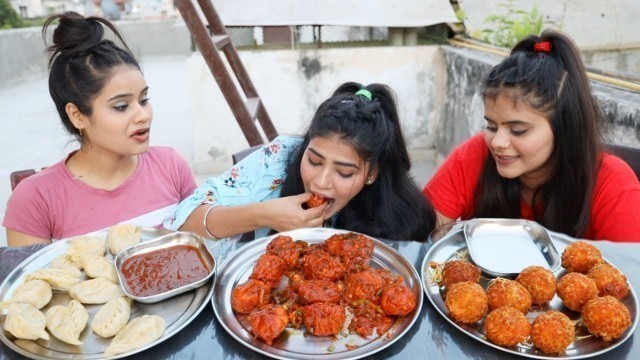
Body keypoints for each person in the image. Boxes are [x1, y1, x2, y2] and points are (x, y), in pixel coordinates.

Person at [423, 29, 640, 242]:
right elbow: (421, 235)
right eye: (491, 126)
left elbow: (631, 273)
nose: (497, 142)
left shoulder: (613, 186)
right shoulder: (474, 155)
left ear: (564, 129)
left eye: (518, 130)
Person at [3, 12, 197, 246]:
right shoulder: (36, 199)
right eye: (121, 106)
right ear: (77, 116)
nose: (143, 115)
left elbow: (199, 243)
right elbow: (31, 281)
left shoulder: (171, 166)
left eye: (144, 100)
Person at [169, 82, 435, 241]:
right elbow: (183, 220)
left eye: (343, 173)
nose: (320, 181)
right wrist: (264, 213)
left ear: (372, 173)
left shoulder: (400, 212)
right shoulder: (278, 158)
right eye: (314, 161)